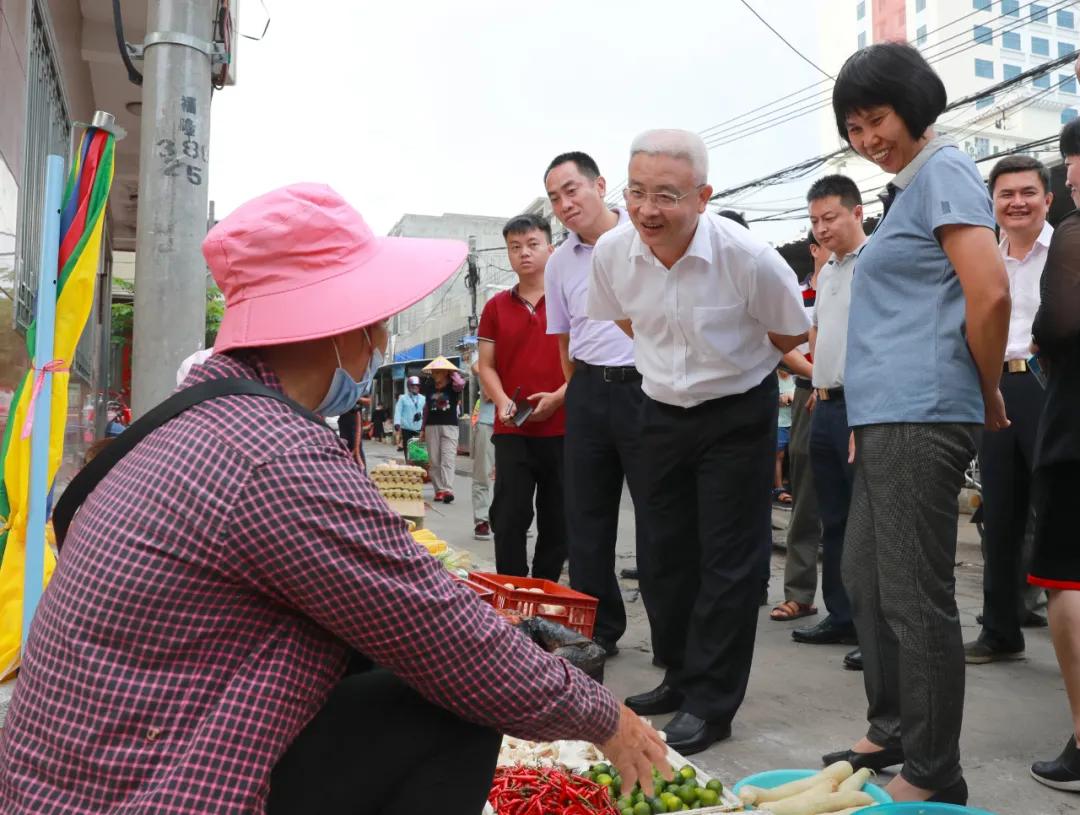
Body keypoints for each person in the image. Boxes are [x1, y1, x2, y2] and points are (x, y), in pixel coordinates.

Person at [0, 184, 674, 814]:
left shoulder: (192, 416)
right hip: (142, 789)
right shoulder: (275, 452)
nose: (380, 342)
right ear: (338, 328)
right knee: (459, 698)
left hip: (72, 773)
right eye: (375, 323)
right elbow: (449, 641)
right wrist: (605, 718)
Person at [824, 43, 1010, 806]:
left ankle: (936, 770)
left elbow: (990, 292)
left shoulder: (945, 170)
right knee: (865, 577)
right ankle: (892, 726)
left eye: (878, 118)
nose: (868, 138)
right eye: (854, 126)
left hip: (922, 407)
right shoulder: (908, 188)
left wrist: (987, 389)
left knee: (913, 593)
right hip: (886, 413)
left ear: (914, 106)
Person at [588, 129, 810, 754]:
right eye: (636, 192)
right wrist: (674, 368)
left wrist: (725, 368)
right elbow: (631, 323)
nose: (648, 211)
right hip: (658, 409)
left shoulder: (749, 258)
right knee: (662, 557)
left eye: (667, 195)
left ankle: (713, 702)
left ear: (704, 196)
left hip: (737, 415)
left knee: (728, 563)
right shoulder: (612, 253)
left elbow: (788, 332)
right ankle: (681, 675)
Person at [543, 151, 649, 658]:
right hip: (588, 391)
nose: (565, 204)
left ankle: (674, 638)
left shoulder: (643, 234)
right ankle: (598, 629)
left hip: (648, 388)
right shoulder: (559, 261)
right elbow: (563, 339)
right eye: (554, 198)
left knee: (658, 516)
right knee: (586, 518)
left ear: (600, 185)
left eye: (572, 190)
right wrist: (577, 390)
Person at [964, 155, 1053, 665]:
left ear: (1047, 199)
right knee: (999, 516)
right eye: (1005, 194)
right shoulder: (984, 259)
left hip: (1049, 387)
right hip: (995, 389)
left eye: (1027, 192)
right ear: (992, 203)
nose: (1016, 202)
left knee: (1058, 510)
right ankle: (1000, 630)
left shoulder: (1065, 251)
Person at [791, 175, 867, 667]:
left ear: (857, 213)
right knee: (832, 519)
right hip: (824, 404)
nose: (821, 229)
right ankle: (841, 617)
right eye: (815, 221)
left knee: (867, 525)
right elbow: (818, 334)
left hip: (862, 408)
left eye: (830, 218)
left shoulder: (875, 264)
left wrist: (863, 409)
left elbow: (877, 342)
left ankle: (871, 627)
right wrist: (821, 382)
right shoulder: (829, 271)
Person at [1027, 117, 1080, 792]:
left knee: (1070, 582)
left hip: (1077, 434)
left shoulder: (1074, 236)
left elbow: (1059, 324)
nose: (1070, 174)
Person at [477, 213, 569, 580]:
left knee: (558, 518)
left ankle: (544, 591)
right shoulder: (495, 307)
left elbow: (586, 359)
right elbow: (486, 365)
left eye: (532, 245)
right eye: (515, 248)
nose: (524, 254)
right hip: (513, 429)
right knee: (509, 515)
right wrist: (501, 401)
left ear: (550, 247)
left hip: (563, 428)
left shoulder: (570, 298)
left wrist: (561, 397)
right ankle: (512, 594)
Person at [771, 230, 825, 624]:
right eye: (821, 227)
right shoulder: (798, 295)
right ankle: (800, 593)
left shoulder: (864, 283)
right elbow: (782, 343)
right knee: (805, 499)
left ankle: (852, 606)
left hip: (854, 394)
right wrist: (818, 375)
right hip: (809, 392)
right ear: (814, 248)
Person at [419, 356, 463, 503]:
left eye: (438, 372)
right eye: (433, 372)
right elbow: (426, 410)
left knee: (448, 458)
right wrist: (422, 429)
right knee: (434, 460)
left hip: (450, 426)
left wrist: (452, 373)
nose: (434, 375)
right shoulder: (429, 388)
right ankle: (439, 490)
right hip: (432, 426)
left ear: (445, 372)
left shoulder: (453, 387)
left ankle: (447, 489)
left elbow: (461, 383)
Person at [470, 356, 496, 541]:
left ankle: (514, 517)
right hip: (487, 422)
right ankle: (482, 519)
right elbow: (476, 366)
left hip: (512, 421)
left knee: (514, 475)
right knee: (483, 474)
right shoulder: (486, 356)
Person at [774, 368, 795, 505]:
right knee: (778, 455)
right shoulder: (774, 378)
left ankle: (794, 486)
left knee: (795, 454)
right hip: (779, 422)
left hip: (794, 421)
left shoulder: (795, 378)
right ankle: (779, 488)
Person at [394, 375, 425, 454]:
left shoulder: (423, 398)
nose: (415, 387)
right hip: (407, 428)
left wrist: (420, 414)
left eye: (417, 386)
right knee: (407, 448)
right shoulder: (403, 398)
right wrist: (397, 423)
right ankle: (408, 463)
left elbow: (426, 410)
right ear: (409, 386)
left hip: (419, 427)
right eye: (413, 386)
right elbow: (398, 411)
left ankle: (418, 464)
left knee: (418, 449)